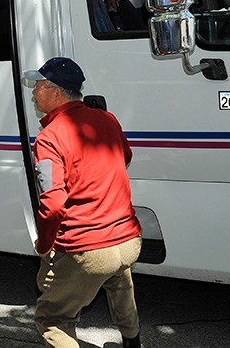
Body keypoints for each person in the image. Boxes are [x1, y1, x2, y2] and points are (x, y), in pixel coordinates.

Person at [22, 57, 143, 348]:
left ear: (56, 92)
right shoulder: (107, 119)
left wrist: (44, 245)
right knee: (120, 285)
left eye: (38, 86)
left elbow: (53, 204)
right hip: (127, 240)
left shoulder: (49, 138)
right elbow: (125, 156)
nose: (34, 93)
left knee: (53, 318)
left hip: (89, 247)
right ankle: (133, 342)